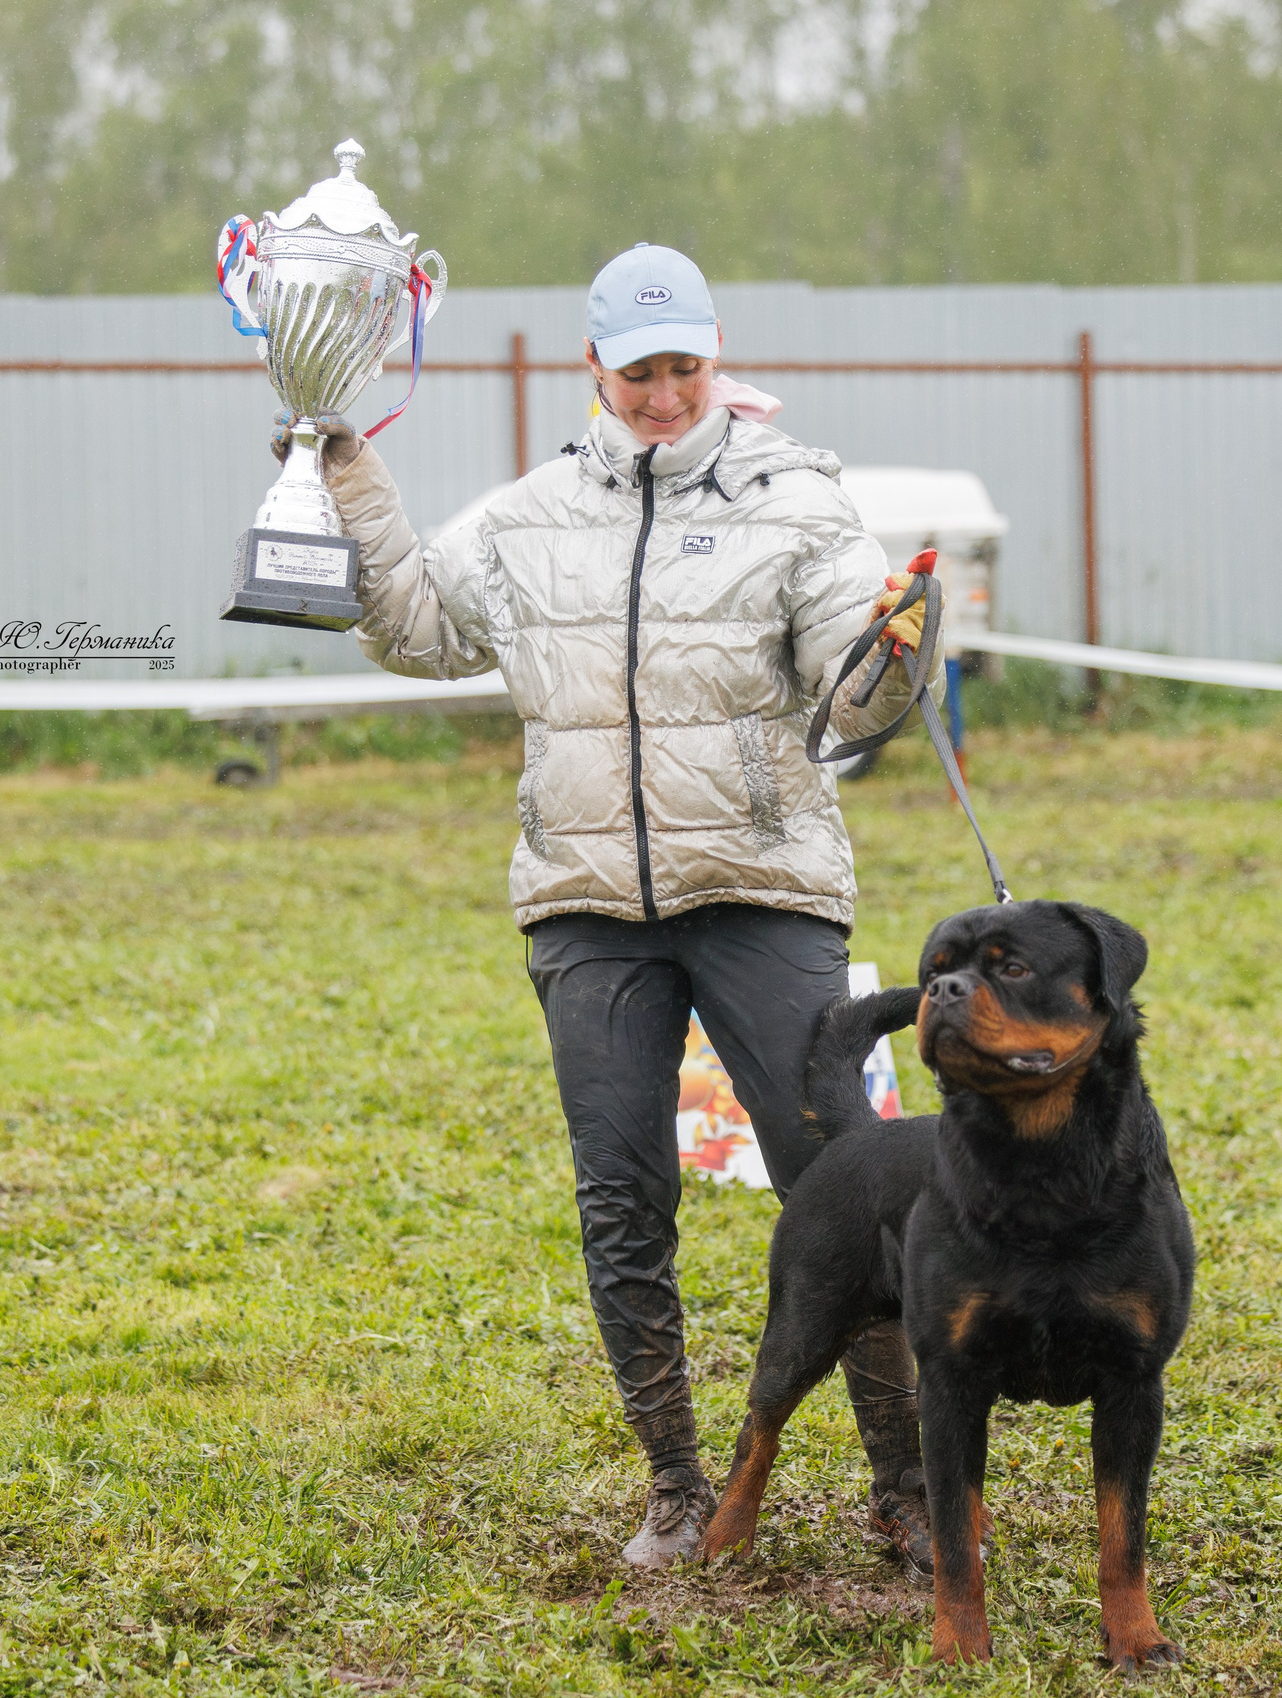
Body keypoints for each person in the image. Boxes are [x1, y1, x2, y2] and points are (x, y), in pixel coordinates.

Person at [280, 244, 937, 1569]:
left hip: (765, 890)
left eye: (684, 366)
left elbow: (850, 690)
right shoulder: (527, 517)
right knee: (622, 1201)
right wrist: (345, 473)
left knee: (847, 1187)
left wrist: (893, 651)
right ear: (595, 366)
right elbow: (417, 628)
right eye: (639, 371)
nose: (663, 394)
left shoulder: (799, 501)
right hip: (584, 903)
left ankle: (907, 1486)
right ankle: (676, 1489)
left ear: (715, 356)